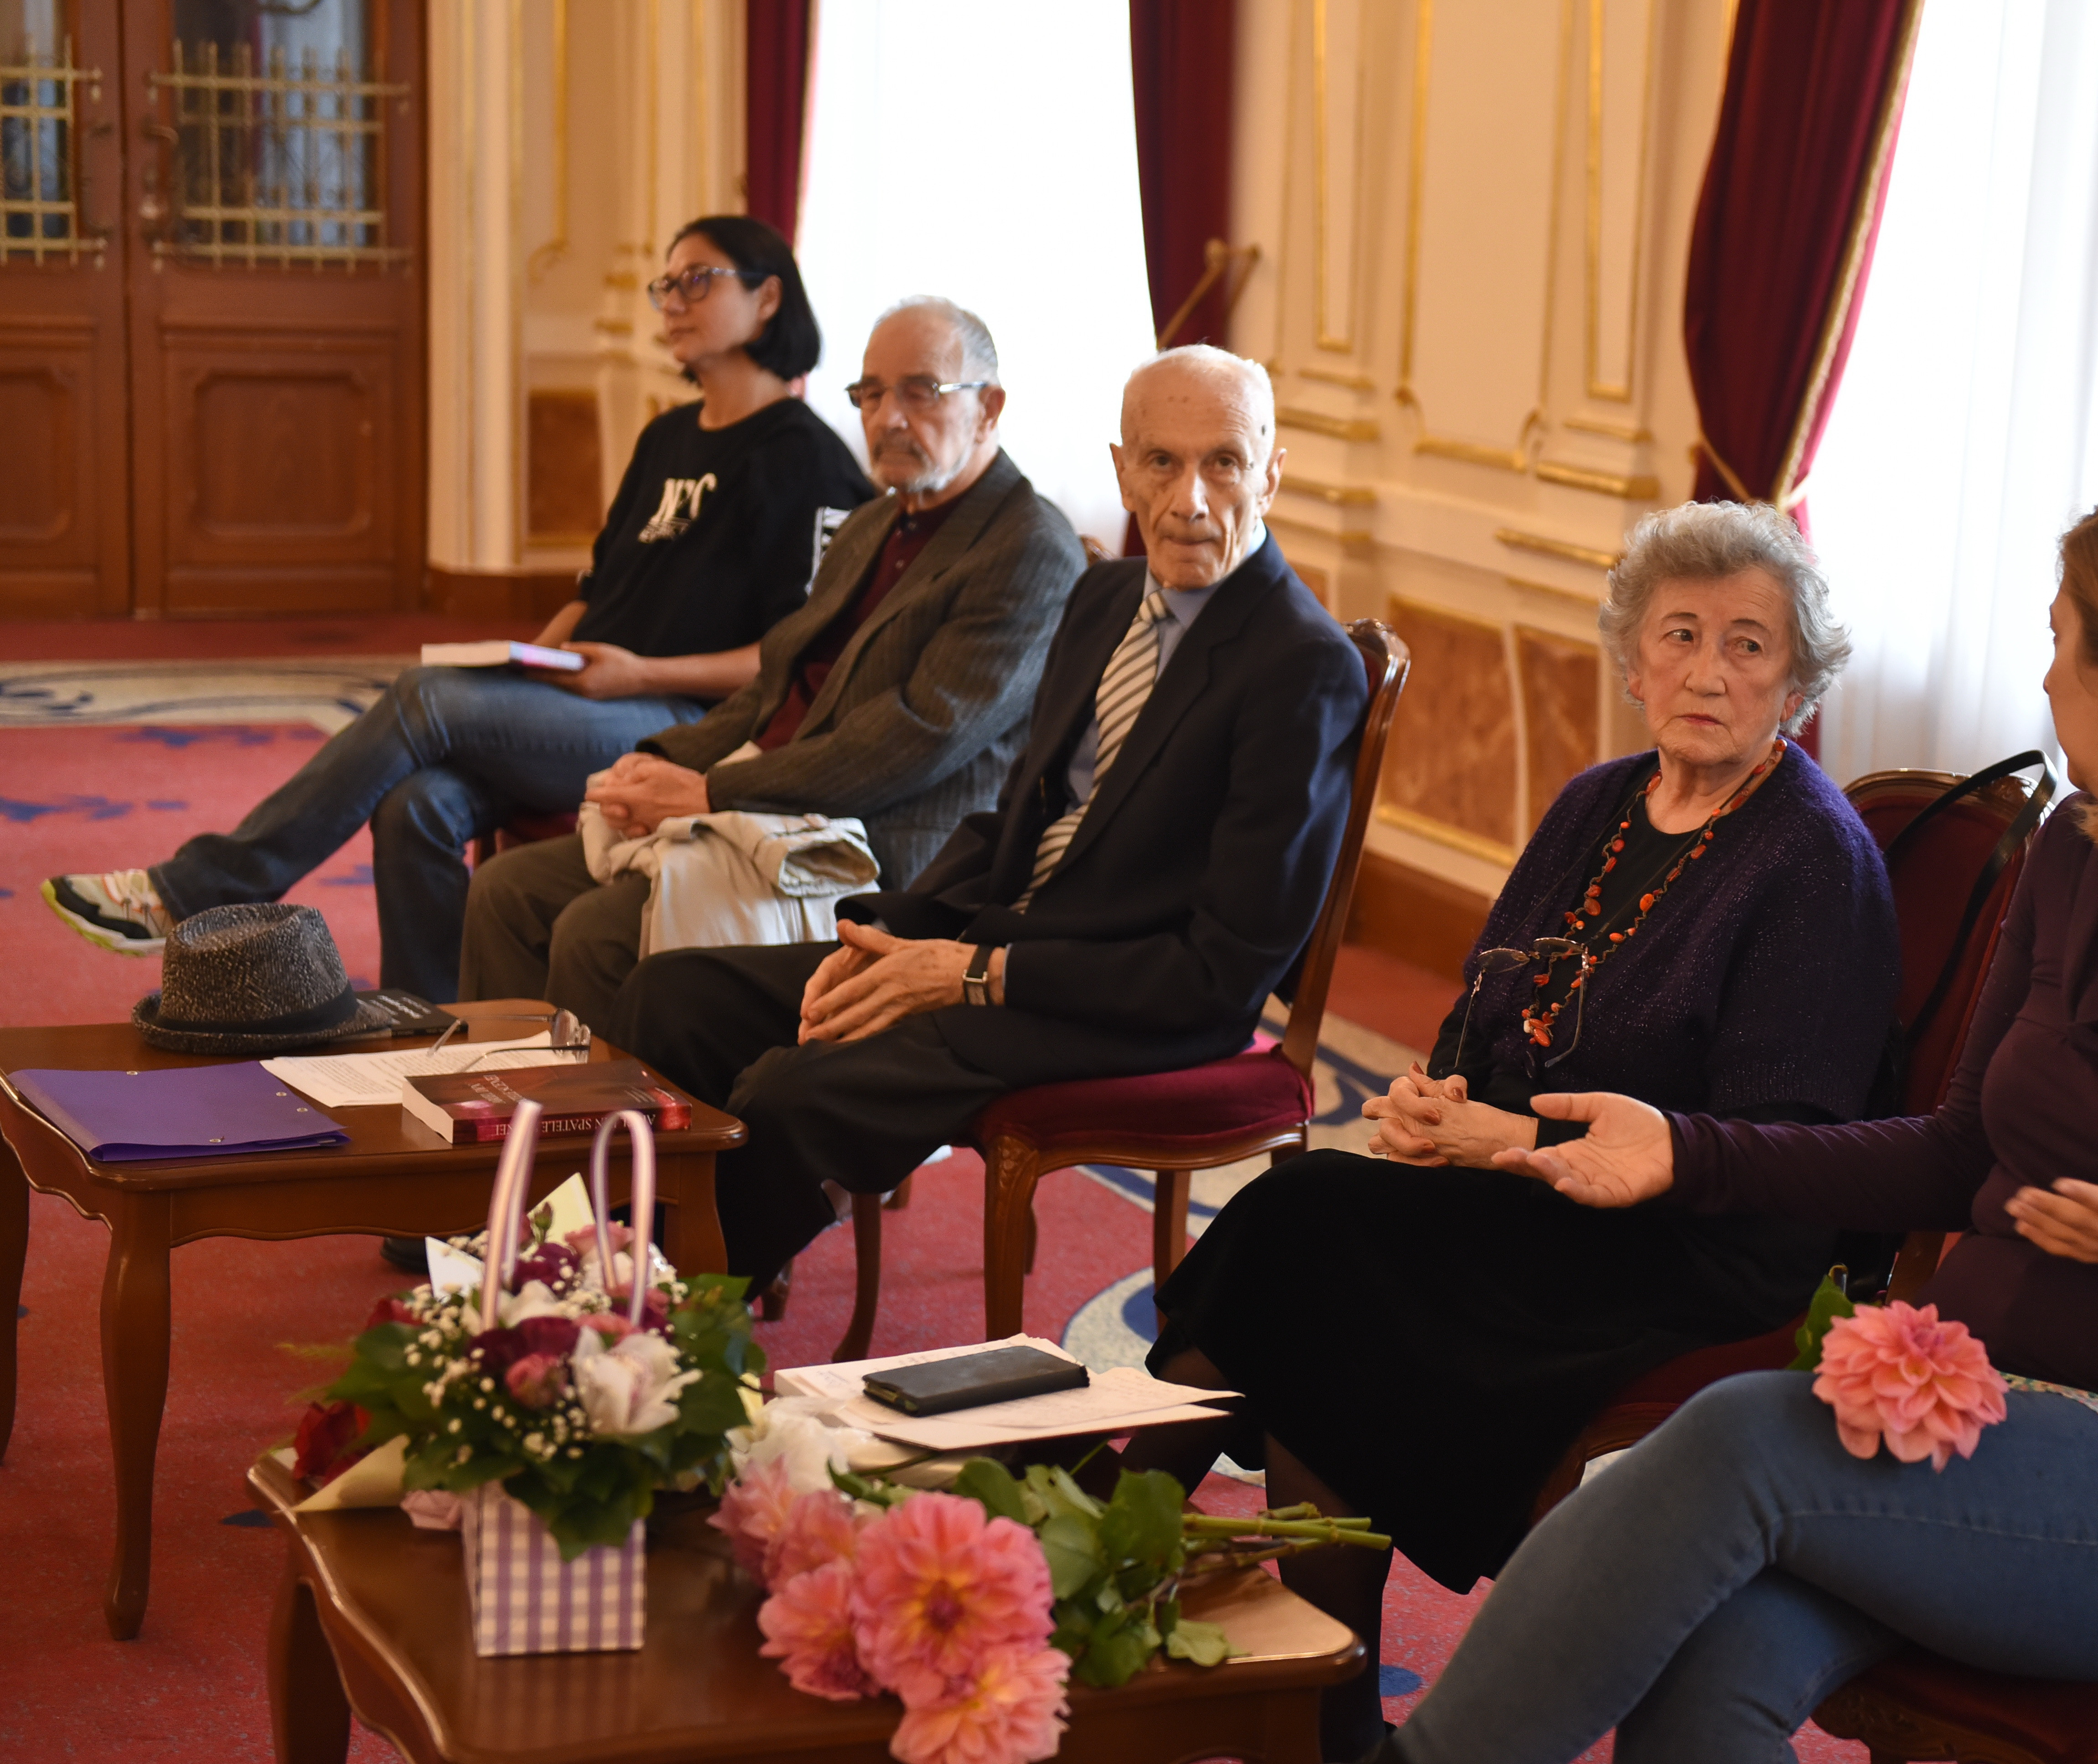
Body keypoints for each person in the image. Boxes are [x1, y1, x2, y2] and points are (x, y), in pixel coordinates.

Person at [1283, 471, 2098, 1764]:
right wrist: (1684, 1151)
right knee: (1705, 1656)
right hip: (1988, 1410)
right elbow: (1953, 1157)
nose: (2042, 681)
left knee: (1739, 1436)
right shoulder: (2082, 853)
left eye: (2063, 643)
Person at [1126, 500, 1900, 1764]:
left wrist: (1504, 1144)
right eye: (1682, 634)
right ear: (1633, 658)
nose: (1709, 671)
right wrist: (1437, 1101)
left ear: (1798, 683)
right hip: (1521, 1198)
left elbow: (1773, 1161)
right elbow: (1484, 1011)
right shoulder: (1599, 805)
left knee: (1307, 1234)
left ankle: (1108, 1555)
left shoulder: (1812, 862)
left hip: (1684, 1244)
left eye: (1750, 645)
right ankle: (1292, 1704)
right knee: (1312, 1258)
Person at [615, 345, 1369, 1287]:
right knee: (674, 997)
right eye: (1161, 462)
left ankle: (669, 1325)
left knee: (790, 1091)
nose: (1190, 500)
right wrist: (890, 939)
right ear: (1121, 471)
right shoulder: (1103, 598)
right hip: (1003, 945)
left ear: (1271, 473)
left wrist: (973, 974)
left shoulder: (1300, 665)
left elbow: (1218, 977)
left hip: (1131, 1003)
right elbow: (1009, 822)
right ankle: (614, 1268)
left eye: (1224, 462)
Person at [41, 216, 872, 1001]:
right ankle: (430, 1025)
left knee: (424, 698)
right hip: (590, 701)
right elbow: (596, 591)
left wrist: (637, 676)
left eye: (699, 280)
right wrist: (523, 670)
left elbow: (793, 656)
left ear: (768, 297)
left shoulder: (805, 459)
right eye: (665, 286)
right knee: (419, 803)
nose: (674, 302)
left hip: (683, 723)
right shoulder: (668, 437)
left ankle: (199, 888)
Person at [457, 296, 1084, 1030]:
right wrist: (660, 761)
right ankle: (503, 1093)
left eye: (921, 392)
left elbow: (914, 738)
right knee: (506, 890)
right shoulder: (874, 523)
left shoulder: (1028, 547)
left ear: (989, 407)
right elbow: (774, 686)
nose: (888, 418)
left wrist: (711, 791)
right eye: (871, 393)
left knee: (597, 934)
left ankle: (612, 1110)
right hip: (765, 812)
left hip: (872, 847)